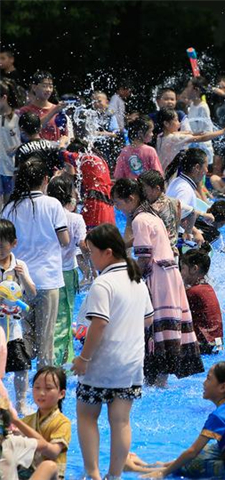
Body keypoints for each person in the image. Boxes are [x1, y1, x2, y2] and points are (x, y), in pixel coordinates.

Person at [71, 224, 154, 480]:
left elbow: (99, 324)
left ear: (107, 253)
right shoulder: (136, 279)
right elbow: (148, 320)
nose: (89, 257)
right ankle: (114, 475)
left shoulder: (103, 283)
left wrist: (83, 358)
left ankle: (93, 474)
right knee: (121, 422)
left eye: (92, 252)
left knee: (86, 416)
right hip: (130, 361)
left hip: (102, 361)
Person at [111, 179, 204, 387]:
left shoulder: (140, 220)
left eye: (118, 203)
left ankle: (155, 378)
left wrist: (130, 279)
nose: (117, 208)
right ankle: (161, 378)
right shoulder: (151, 215)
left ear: (131, 199)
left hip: (158, 276)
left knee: (153, 326)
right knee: (166, 327)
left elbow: (144, 257)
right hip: (170, 273)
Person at [139, 362, 225, 479]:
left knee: (192, 465)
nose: (203, 383)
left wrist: (163, 473)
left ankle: (158, 469)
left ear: (223, 387)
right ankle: (168, 465)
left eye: (208, 378)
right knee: (208, 449)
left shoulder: (220, 415)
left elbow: (192, 451)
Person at [2, 158, 69, 370]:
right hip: (47, 280)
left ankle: (21, 389)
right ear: (45, 180)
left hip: (17, 283)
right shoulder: (52, 204)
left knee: (22, 338)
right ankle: (44, 388)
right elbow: (65, 240)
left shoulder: (10, 207)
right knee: (46, 341)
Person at [47, 176, 85, 367]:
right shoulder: (75, 219)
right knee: (65, 317)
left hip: (46, 273)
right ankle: (55, 363)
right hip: (67, 273)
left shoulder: (45, 215)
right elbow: (83, 246)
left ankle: (59, 358)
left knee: (51, 317)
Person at [0, 218, 36, 413]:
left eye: (1, 246)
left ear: (13, 243)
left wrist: (22, 276)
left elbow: (32, 292)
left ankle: (21, 402)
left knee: (22, 366)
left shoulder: (20, 265)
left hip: (13, 328)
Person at [9, 367, 71, 478]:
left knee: (49, 465)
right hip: (25, 473)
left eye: (48, 388)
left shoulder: (63, 423)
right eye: (37, 387)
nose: (41, 393)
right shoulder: (27, 420)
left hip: (49, 476)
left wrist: (17, 422)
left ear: (61, 394)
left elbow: (53, 452)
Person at [60, 139, 115, 231]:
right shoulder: (99, 159)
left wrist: (61, 144)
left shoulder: (85, 158)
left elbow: (63, 154)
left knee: (91, 240)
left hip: (96, 205)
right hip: (108, 205)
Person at [155, 108, 225, 173]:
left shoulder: (160, 136)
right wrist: (223, 131)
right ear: (166, 123)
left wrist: (194, 134)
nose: (179, 123)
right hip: (166, 176)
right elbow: (202, 138)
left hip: (160, 172)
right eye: (176, 120)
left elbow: (179, 134)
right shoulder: (174, 138)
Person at [181, 246, 223, 355]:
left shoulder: (193, 292)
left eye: (183, 268)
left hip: (203, 345)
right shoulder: (207, 287)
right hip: (217, 344)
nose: (180, 273)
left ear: (194, 269)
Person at [17, 71, 68, 143]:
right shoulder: (25, 111)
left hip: (54, 152)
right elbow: (32, 130)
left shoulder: (58, 109)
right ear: (34, 87)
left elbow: (65, 135)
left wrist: (62, 143)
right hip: (35, 153)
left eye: (51, 86)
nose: (48, 90)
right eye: (44, 86)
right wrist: (53, 111)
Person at [139, 170, 181, 256]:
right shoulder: (173, 201)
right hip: (172, 251)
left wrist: (125, 245)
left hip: (160, 254)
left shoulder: (152, 209)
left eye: (144, 188)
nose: (141, 191)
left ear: (157, 189)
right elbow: (190, 212)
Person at [0, 80, 20, 207]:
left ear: (4, 97)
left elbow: (31, 137)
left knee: (9, 206)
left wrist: (19, 147)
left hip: (11, 169)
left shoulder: (18, 117)